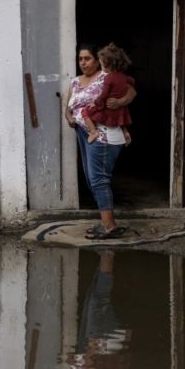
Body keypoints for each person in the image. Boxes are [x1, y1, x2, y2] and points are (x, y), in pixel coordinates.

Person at [64, 43, 135, 239]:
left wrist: (120, 103)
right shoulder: (75, 82)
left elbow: (131, 92)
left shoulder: (108, 76)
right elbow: (69, 108)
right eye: (80, 59)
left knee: (99, 179)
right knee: (91, 179)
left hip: (103, 133)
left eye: (87, 58)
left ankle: (110, 226)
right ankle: (105, 223)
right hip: (83, 132)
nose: (83, 63)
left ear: (98, 61)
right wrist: (70, 118)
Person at [81, 43, 134, 145]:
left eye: (101, 65)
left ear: (108, 65)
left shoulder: (108, 78)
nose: (101, 67)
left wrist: (95, 103)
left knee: (85, 112)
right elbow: (130, 84)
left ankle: (93, 132)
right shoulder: (124, 77)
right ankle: (125, 132)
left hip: (108, 106)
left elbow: (104, 95)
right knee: (119, 118)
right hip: (120, 109)